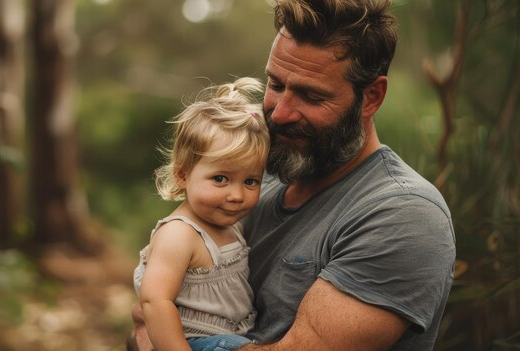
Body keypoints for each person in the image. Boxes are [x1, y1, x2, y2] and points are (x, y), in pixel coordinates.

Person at [129, 0, 456, 350]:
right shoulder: (258, 181)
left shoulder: (402, 215)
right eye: (276, 84)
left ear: (371, 98)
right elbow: (147, 320)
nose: (281, 113)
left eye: (311, 96)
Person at [132, 77, 270, 351]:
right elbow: (155, 301)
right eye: (220, 178)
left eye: (250, 181)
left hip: (234, 337)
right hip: (195, 342)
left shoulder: (231, 226)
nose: (236, 195)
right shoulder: (179, 235)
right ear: (182, 174)